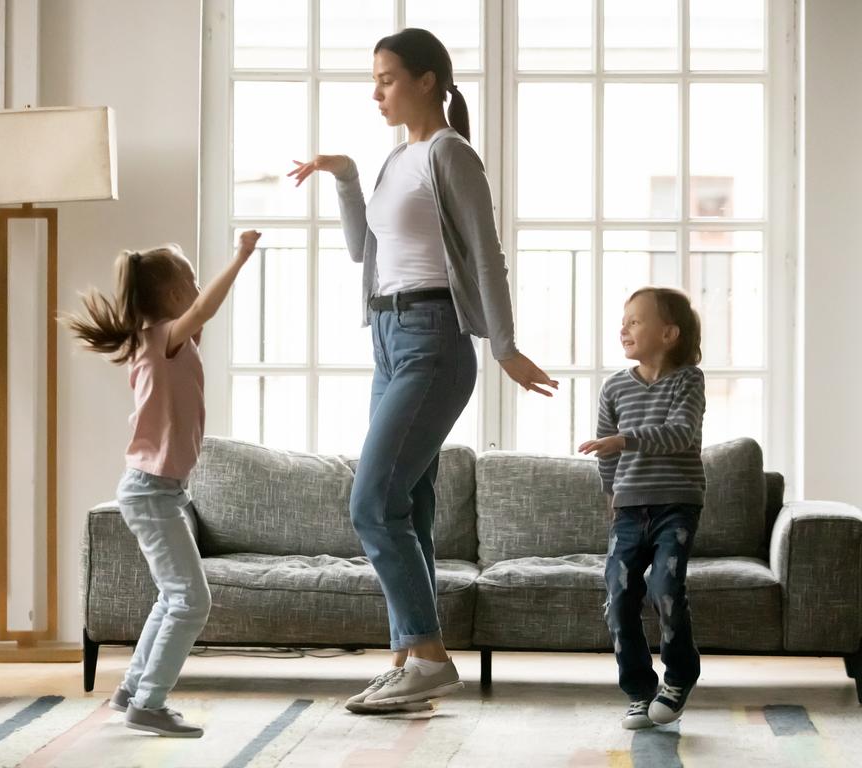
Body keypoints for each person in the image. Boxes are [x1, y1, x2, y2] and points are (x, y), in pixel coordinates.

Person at [288, 28, 556, 713]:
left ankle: (429, 657)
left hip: (433, 338)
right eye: (373, 80)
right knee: (411, 505)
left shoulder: (450, 153)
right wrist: (346, 177)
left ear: (428, 80)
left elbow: (487, 254)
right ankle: (409, 656)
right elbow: (361, 251)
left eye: (386, 78)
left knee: (372, 503)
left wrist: (503, 345)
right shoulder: (393, 161)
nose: (376, 91)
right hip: (387, 335)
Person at [64, 231, 261, 736]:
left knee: (172, 597)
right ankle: (149, 703)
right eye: (191, 279)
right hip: (151, 491)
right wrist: (240, 258)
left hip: (159, 490)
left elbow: (199, 317)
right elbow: (206, 310)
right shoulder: (163, 339)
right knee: (192, 602)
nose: (198, 287)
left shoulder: (169, 341)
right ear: (174, 297)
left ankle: (132, 689)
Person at [579, 287, 706, 730]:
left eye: (636, 320)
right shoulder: (614, 386)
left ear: (668, 333)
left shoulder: (689, 380)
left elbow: (681, 434)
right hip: (629, 510)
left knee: (666, 588)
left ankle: (679, 676)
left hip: (677, 505)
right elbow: (605, 452)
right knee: (618, 595)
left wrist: (628, 440)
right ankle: (639, 690)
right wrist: (612, 495)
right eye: (624, 319)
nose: (624, 328)